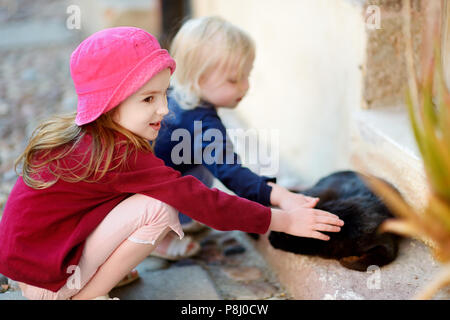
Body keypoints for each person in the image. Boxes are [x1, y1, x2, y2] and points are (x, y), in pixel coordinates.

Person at [0, 27, 343, 300]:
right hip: (48, 281)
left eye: (164, 94)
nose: (164, 109)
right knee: (160, 207)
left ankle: (88, 277)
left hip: (34, 265)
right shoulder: (121, 154)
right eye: (149, 98)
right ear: (109, 103)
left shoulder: (92, 136)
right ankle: (86, 294)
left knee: (152, 192)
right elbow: (203, 200)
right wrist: (282, 220)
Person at [153, 16, 326, 258]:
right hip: (141, 196)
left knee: (195, 169)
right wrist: (282, 196)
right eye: (234, 79)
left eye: (247, 74)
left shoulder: (174, 94)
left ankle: (179, 217)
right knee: (189, 177)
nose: (245, 86)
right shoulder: (201, 123)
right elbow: (231, 173)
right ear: (197, 77)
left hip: (153, 179)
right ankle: (155, 240)